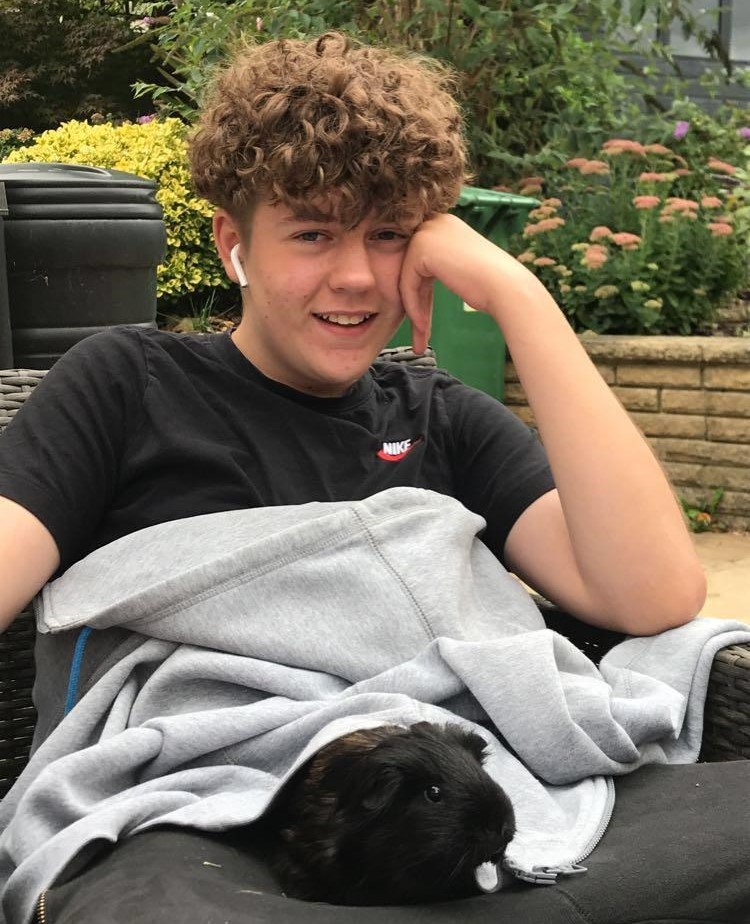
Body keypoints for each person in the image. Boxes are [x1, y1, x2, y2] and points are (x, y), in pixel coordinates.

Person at [0, 31, 745, 924]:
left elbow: (651, 596)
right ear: (233, 242)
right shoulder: (127, 385)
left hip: (470, 804)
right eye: (312, 232)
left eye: (388, 235)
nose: (355, 277)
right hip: (207, 817)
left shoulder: (438, 413)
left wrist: (520, 298)